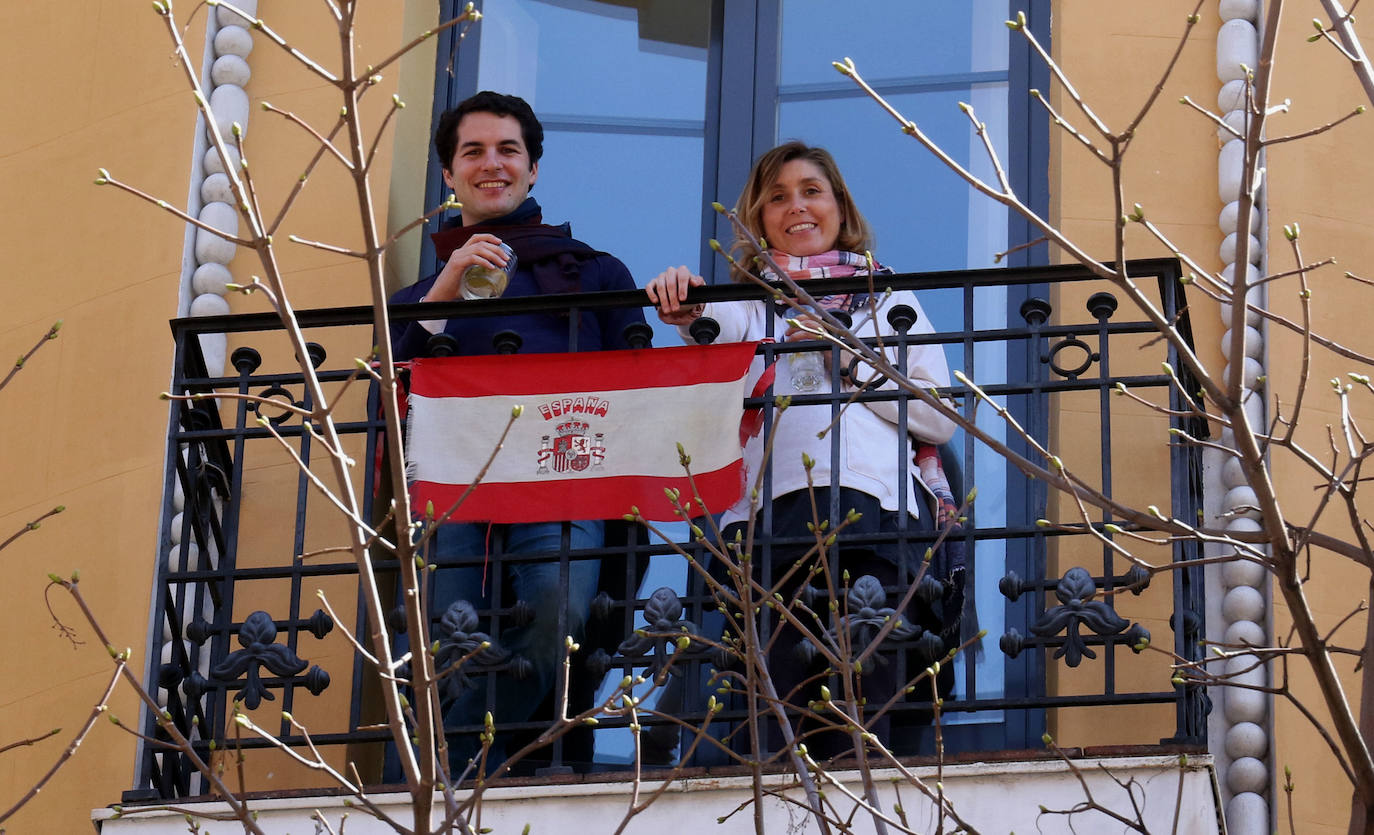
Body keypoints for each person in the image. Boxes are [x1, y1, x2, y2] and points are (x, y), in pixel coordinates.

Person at [646, 141, 961, 759]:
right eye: (778, 196)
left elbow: (938, 416)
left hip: (882, 513)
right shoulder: (748, 302)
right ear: (758, 217)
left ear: (839, 206)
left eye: (811, 191)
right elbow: (709, 331)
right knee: (786, 701)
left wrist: (844, 354)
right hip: (775, 520)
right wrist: (685, 303)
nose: (797, 206)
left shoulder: (890, 301)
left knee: (869, 691)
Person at [389, 91, 648, 775]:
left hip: (566, 474)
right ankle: (474, 777)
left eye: (508, 150)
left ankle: (486, 763)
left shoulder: (595, 271)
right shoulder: (422, 294)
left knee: (555, 612)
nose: (491, 164)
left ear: (533, 169)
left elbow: (644, 382)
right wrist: (448, 282)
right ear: (448, 176)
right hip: (456, 485)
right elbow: (390, 387)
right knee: (452, 640)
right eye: (472, 151)